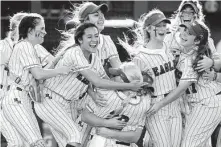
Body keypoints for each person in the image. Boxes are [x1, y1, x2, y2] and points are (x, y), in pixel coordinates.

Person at [34, 22, 144, 147]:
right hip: (50, 100)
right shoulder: (75, 53)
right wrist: (130, 86)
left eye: (96, 36)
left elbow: (105, 80)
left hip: (70, 104)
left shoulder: (94, 58)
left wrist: (123, 78)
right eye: (89, 37)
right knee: (75, 135)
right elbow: (97, 81)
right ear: (80, 39)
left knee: (74, 142)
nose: (94, 40)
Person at [147, 20, 221, 147]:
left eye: (189, 33)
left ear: (197, 41)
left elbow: (181, 89)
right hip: (197, 103)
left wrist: (160, 104)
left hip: (208, 103)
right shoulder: (183, 53)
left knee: (189, 144)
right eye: (183, 31)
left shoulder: (195, 58)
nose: (183, 34)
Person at [1, 13, 71, 147]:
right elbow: (39, 74)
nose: (45, 32)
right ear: (29, 30)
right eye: (42, 28)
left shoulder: (32, 47)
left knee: (22, 143)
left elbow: (51, 63)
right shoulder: (19, 46)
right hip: (13, 98)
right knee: (35, 143)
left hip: (23, 98)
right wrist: (60, 70)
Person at [128, 9, 182, 147]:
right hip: (155, 106)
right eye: (158, 26)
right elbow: (134, 88)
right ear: (149, 29)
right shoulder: (140, 57)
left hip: (174, 102)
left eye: (164, 25)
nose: (163, 29)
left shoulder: (169, 46)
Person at [80, 62, 152, 147]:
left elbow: (85, 116)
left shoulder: (106, 94)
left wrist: (109, 129)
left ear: (122, 80)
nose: (112, 77)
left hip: (100, 141)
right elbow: (135, 137)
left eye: (116, 75)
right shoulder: (144, 102)